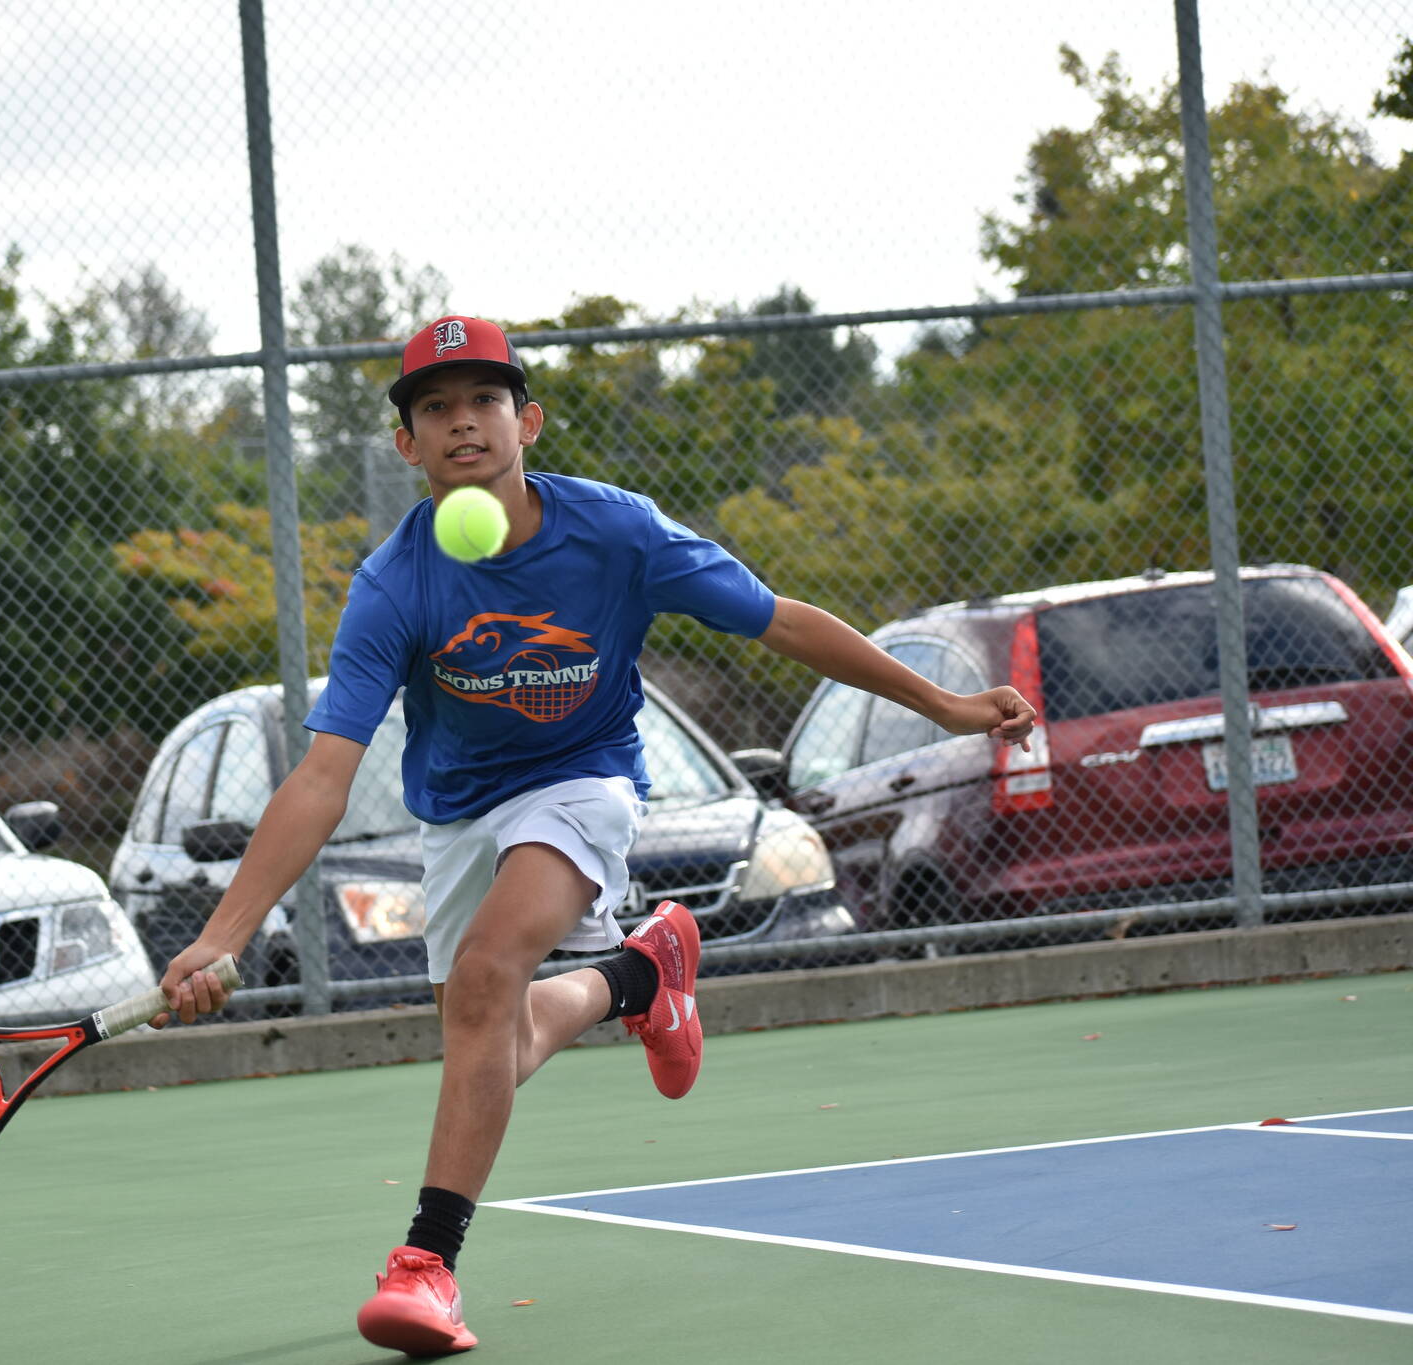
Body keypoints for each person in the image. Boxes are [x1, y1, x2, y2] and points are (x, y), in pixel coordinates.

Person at [152, 315, 1037, 1355]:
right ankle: (640, 975)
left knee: (487, 978)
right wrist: (223, 933)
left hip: (582, 782)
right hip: (461, 813)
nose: (461, 423)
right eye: (434, 408)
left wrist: (939, 705)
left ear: (525, 419)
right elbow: (321, 776)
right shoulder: (395, 583)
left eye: (482, 401)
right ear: (406, 445)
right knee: (498, 1036)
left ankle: (424, 1266)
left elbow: (776, 617)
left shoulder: (614, 533)